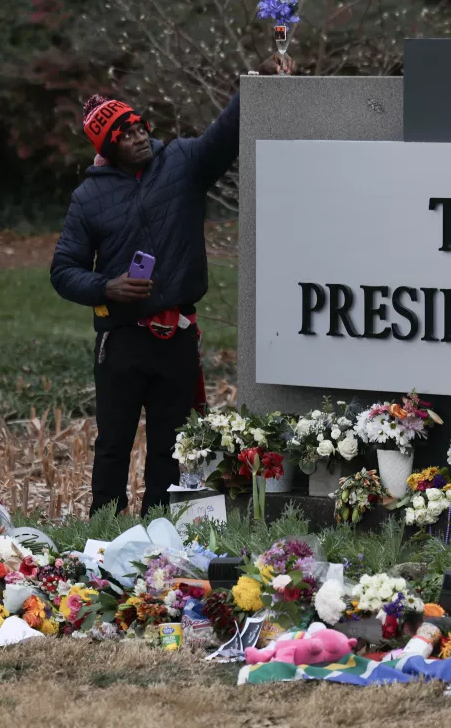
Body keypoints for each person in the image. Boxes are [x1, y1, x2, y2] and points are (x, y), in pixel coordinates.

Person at [51, 52, 294, 517]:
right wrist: (107, 287)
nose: (139, 135)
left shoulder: (181, 162)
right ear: (107, 146)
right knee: (113, 446)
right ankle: (102, 537)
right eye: (124, 133)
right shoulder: (88, 197)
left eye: (139, 125)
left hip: (176, 337)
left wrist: (258, 80)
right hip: (121, 342)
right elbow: (63, 270)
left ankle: (160, 533)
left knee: (170, 446)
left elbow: (225, 135)